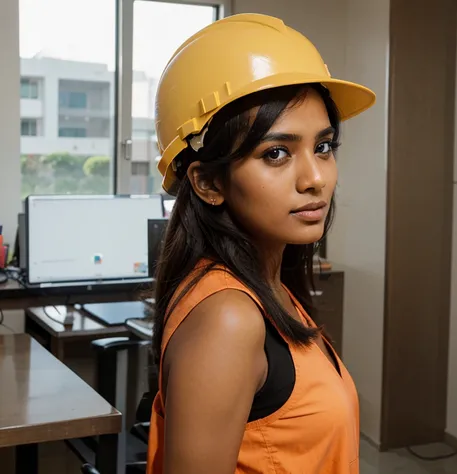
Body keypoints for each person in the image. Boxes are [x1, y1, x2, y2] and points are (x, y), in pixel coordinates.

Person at [147, 13, 375, 474]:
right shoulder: (228, 320)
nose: (315, 179)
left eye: (324, 147)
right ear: (209, 182)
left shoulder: (267, 286)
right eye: (276, 153)